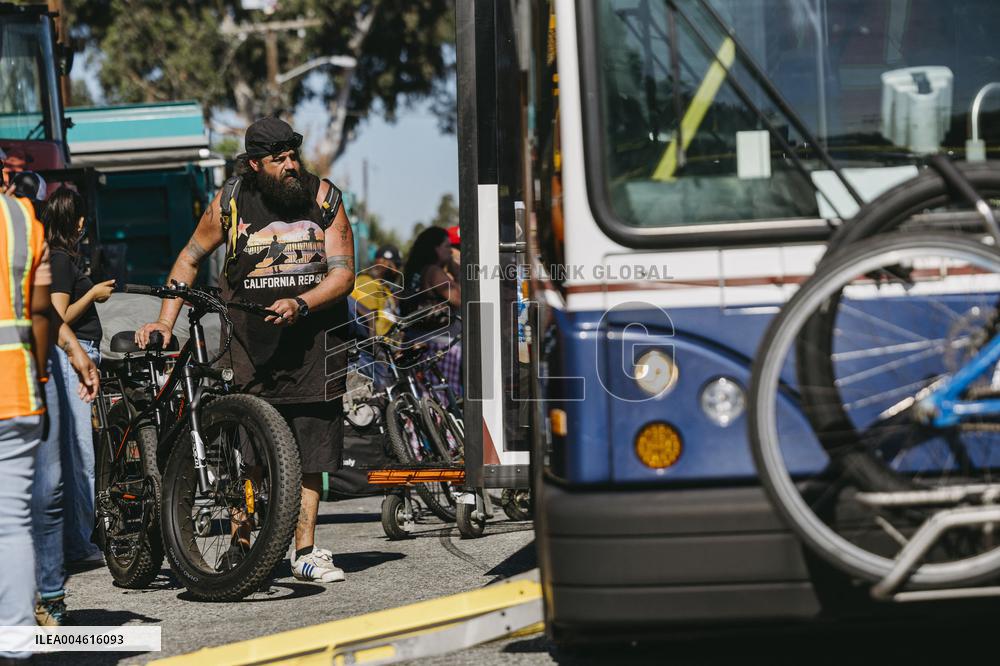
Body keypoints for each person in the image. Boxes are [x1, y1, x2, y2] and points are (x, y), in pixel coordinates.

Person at [135, 117, 355, 584]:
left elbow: (343, 274)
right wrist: (165, 321)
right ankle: (242, 544)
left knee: (311, 455)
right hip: (251, 348)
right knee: (248, 453)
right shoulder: (230, 202)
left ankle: (305, 552)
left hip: (315, 348)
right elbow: (189, 258)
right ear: (255, 164)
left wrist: (301, 303)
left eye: (293, 156)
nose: (290, 166)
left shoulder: (324, 198)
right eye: (279, 160)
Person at [0, 192, 98, 659]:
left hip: (19, 389)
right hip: (18, 388)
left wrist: (72, 352)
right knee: (16, 518)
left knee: (28, 509)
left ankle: (43, 606)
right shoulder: (21, 219)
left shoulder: (21, 218)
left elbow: (43, 313)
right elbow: (43, 310)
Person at [31, 188, 114, 626]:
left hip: (72, 356)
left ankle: (75, 542)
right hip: (69, 358)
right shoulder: (61, 261)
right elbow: (57, 315)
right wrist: (94, 293)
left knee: (74, 454)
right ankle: (79, 544)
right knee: (79, 454)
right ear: (78, 222)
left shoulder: (57, 258)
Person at [402, 227, 462, 394]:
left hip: (417, 341)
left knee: (425, 397)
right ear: (436, 249)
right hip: (438, 345)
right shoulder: (433, 272)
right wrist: (457, 272)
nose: (451, 251)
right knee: (443, 396)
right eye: (447, 246)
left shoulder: (416, 271)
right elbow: (459, 298)